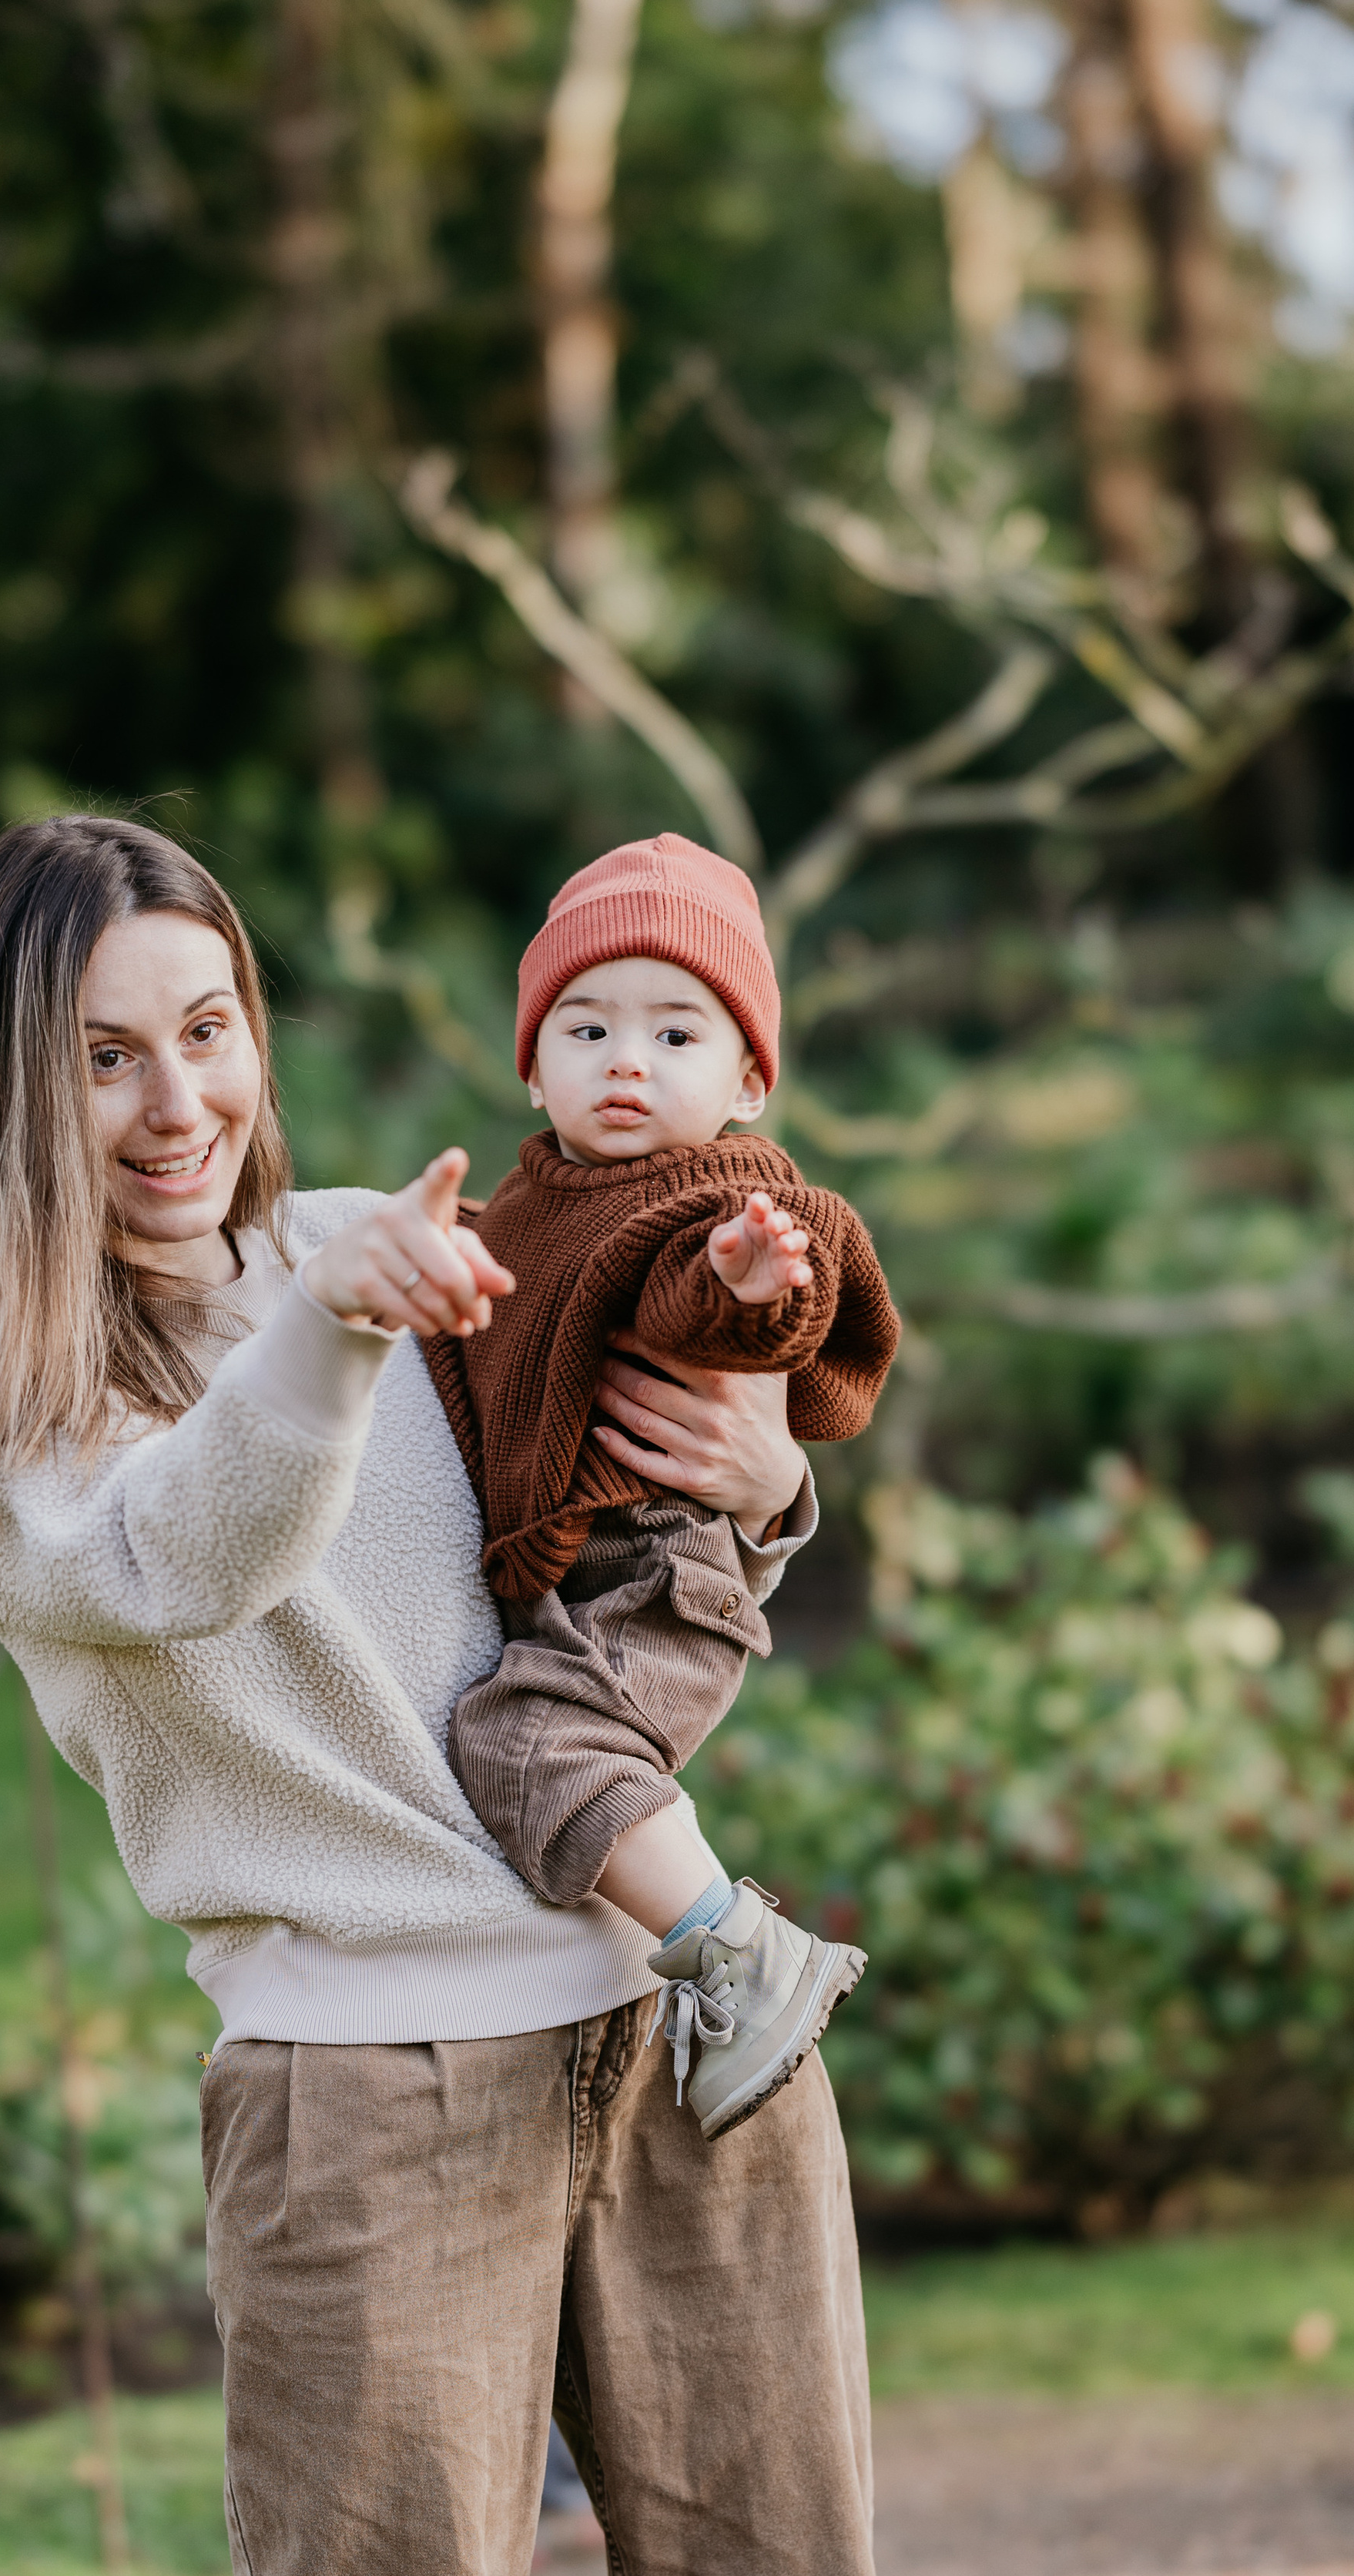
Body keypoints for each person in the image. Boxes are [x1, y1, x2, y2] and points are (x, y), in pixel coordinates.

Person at [0, 815, 901, 2576]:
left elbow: (617, 1526)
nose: (179, 1102)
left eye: (207, 1029)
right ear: (1, 1089)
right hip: (367, 2098)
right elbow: (188, 1557)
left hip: (682, 2026)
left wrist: (770, 1471)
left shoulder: (379, 1247)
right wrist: (325, 1331)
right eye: (102, 1056)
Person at [427, 833, 900, 2137]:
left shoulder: (720, 1198)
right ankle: (710, 1949)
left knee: (530, 1744)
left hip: (663, 1568)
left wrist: (753, 1282)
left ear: (749, 1080)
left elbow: (712, 1307)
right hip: (592, 1569)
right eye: (587, 1029)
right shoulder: (535, 1201)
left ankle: (743, 1955)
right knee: (533, 1738)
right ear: (533, 1065)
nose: (627, 1061)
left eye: (676, 1035)